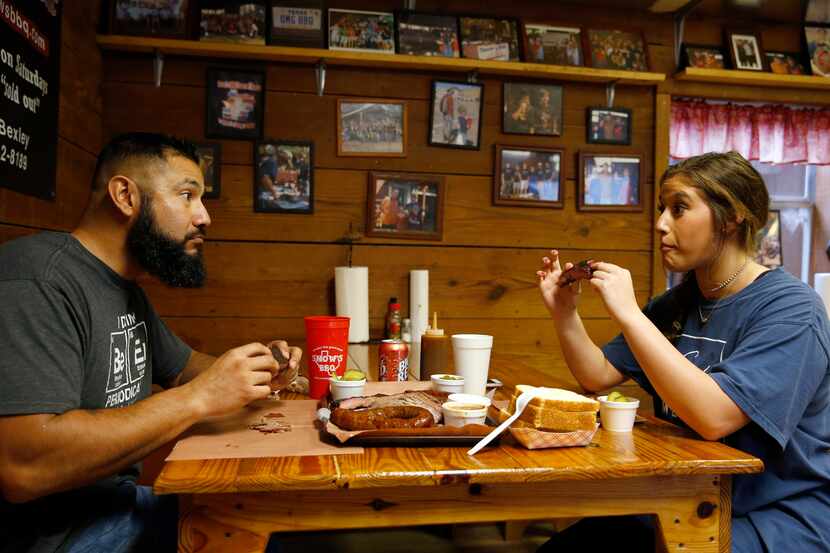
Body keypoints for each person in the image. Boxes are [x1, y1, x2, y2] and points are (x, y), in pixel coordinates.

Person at [0, 133, 303, 553]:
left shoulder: (122, 286)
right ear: (125, 195)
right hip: (58, 538)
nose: (204, 217)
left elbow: (183, 366)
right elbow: (23, 467)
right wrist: (201, 397)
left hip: (115, 507)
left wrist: (256, 369)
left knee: (282, 530)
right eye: (187, 195)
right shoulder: (37, 281)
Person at [535, 151, 830, 553]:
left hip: (779, 515)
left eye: (679, 209)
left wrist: (628, 314)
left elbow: (714, 418)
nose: (660, 224)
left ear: (730, 217)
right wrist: (565, 313)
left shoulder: (793, 309)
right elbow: (597, 374)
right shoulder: (677, 303)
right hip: (692, 496)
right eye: (662, 209)